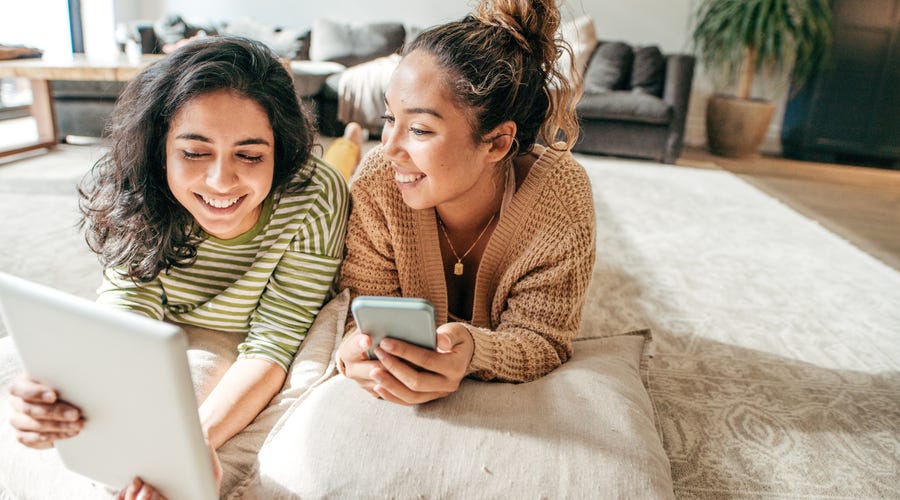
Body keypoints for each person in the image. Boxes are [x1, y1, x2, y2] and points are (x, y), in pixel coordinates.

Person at [6, 36, 350, 497]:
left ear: (280, 152)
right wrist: (69, 395)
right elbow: (125, 311)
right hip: (174, 324)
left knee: (345, 162)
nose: (220, 181)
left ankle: (348, 141)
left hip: (245, 327)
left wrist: (190, 446)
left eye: (249, 155)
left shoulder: (314, 194)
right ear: (159, 148)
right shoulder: (138, 189)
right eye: (193, 152)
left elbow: (274, 340)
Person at [337, 0, 596, 405]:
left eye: (420, 129)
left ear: (497, 142)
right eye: (389, 119)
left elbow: (545, 338)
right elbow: (359, 304)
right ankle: (348, 140)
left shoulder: (561, 200)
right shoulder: (377, 184)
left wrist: (476, 350)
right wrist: (356, 347)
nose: (389, 148)